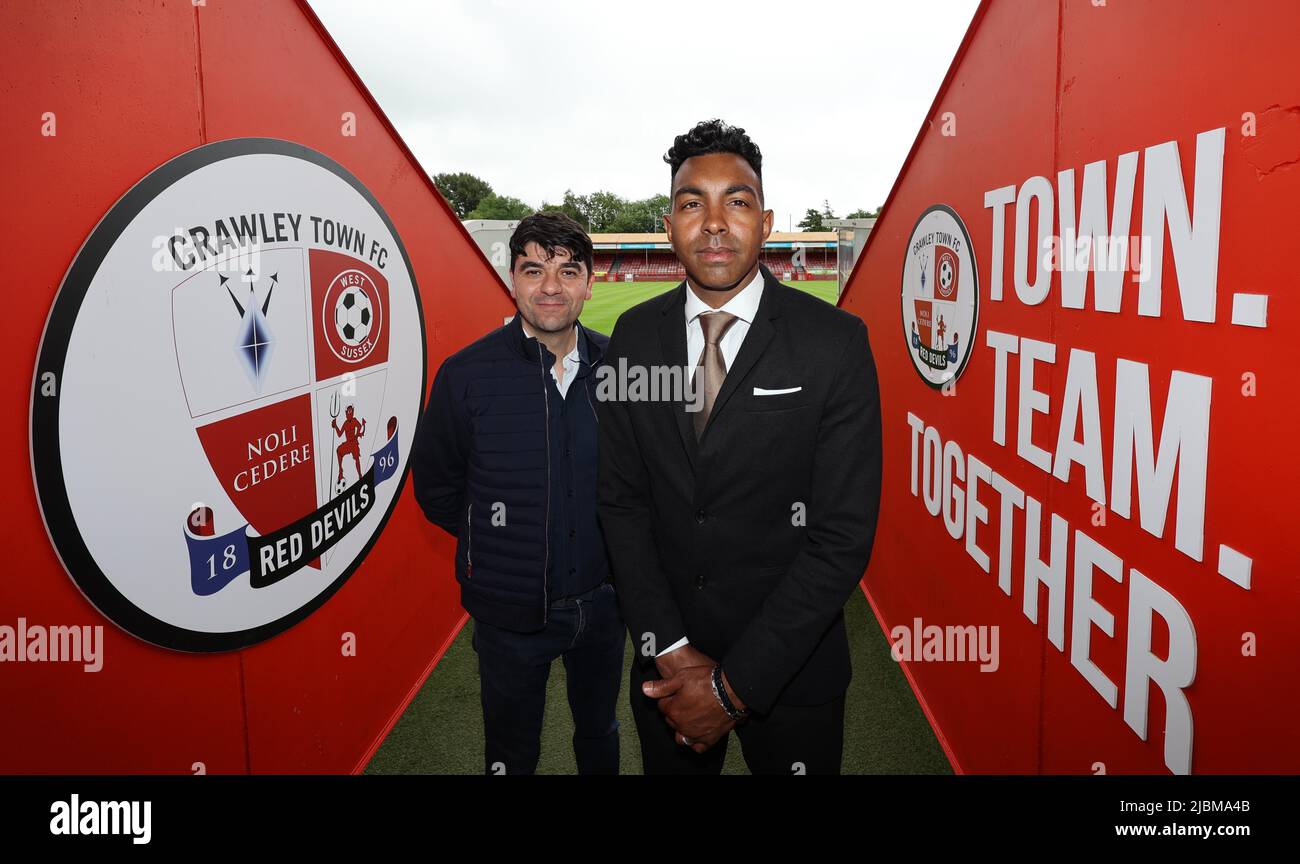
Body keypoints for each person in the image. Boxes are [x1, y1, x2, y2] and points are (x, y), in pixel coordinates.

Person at [596, 119, 883, 774]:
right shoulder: (633, 337)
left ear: (767, 219)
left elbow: (840, 536)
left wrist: (732, 688)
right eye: (693, 202)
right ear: (668, 223)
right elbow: (620, 504)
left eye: (738, 200)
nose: (715, 222)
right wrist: (668, 646)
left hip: (793, 674)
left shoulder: (836, 342)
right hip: (663, 666)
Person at [412, 212, 625, 775]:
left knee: (600, 733)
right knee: (510, 754)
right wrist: (499, 542)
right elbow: (437, 487)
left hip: (605, 606)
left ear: (588, 282)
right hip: (508, 615)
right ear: (512, 277)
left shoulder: (621, 369)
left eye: (567, 271)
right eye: (534, 270)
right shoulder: (465, 375)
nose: (550, 287)